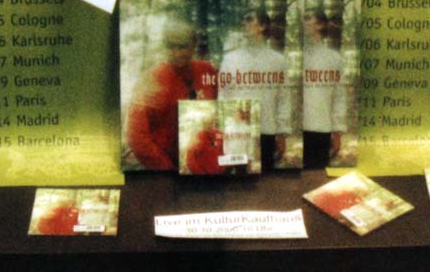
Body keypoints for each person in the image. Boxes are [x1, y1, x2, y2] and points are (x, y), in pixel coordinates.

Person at [125, 20, 218, 170]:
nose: (176, 53)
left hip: (200, 163)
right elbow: (136, 136)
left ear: (194, 44)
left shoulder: (207, 70)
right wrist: (167, 170)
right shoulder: (151, 79)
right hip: (164, 165)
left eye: (182, 47)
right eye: (170, 46)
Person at [218, 9, 291, 170]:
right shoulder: (230, 59)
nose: (243, 23)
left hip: (266, 129)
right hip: (237, 133)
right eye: (243, 20)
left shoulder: (278, 61)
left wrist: (282, 132)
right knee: (236, 176)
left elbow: (283, 97)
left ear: (262, 26)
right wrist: (223, 129)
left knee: (266, 178)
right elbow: (223, 95)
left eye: (249, 19)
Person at [302, 9, 348, 168]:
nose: (303, 22)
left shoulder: (333, 58)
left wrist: (337, 132)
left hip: (321, 129)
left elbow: (339, 96)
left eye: (308, 18)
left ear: (320, 24)